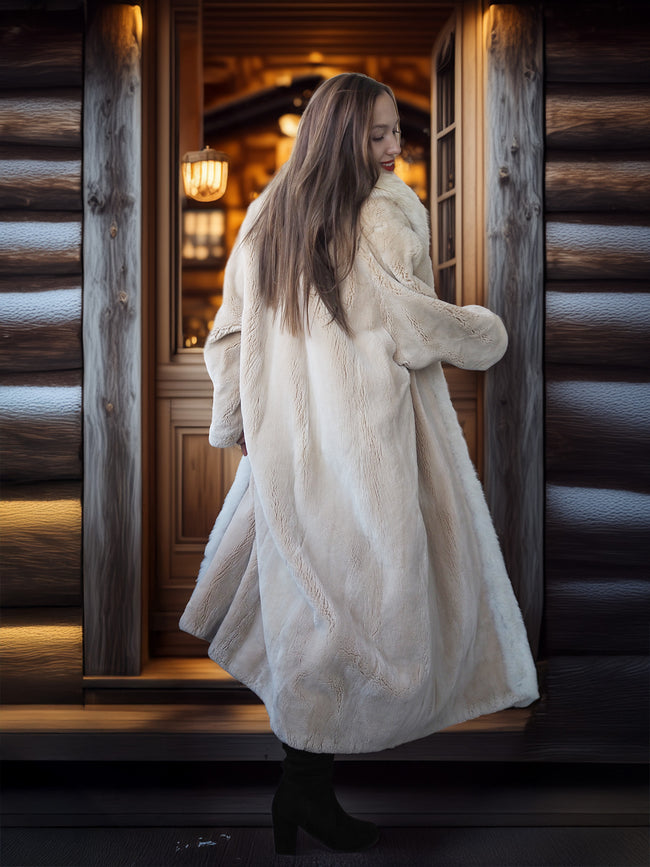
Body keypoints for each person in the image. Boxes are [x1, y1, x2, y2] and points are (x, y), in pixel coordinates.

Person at [180, 72, 539, 855]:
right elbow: (413, 329)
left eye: (394, 132)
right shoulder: (380, 215)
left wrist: (240, 427)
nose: (391, 148)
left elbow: (228, 339)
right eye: (375, 134)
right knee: (374, 614)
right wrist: (486, 331)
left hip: (287, 456)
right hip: (369, 452)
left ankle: (302, 792)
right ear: (338, 136)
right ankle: (305, 791)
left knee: (314, 613)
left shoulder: (266, 214)